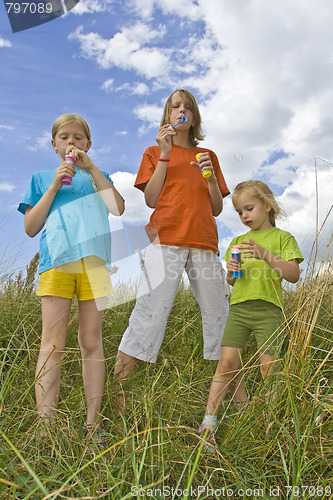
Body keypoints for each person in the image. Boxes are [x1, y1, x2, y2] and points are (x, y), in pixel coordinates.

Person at [114, 89, 245, 406]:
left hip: (203, 243)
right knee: (148, 315)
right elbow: (150, 199)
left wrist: (211, 179)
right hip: (166, 241)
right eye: (175, 106)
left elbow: (216, 208)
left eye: (188, 106)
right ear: (167, 114)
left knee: (221, 319)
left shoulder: (207, 156)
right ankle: (115, 401)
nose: (181, 110)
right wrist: (164, 153)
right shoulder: (153, 151)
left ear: (194, 116)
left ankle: (243, 404)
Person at [18, 113, 125, 447]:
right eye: (64, 137)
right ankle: (45, 425)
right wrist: (53, 185)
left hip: (95, 264)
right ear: (54, 145)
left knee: (91, 341)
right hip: (57, 262)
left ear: (88, 145)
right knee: (52, 344)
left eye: (79, 138)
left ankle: (93, 425)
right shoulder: (40, 178)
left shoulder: (98, 176)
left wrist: (93, 170)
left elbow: (118, 208)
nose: (72, 143)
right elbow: (31, 227)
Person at [199, 180, 304, 451]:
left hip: (269, 309)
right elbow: (233, 281)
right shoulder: (237, 241)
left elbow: (293, 275)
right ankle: (208, 425)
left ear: (267, 206)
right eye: (239, 212)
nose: (245, 216)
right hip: (240, 308)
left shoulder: (283, 238)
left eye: (249, 208)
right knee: (226, 363)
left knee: (269, 367)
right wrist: (231, 270)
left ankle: (269, 424)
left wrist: (264, 254)